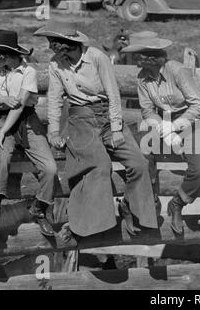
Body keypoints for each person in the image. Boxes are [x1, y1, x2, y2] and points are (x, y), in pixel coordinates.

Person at [33, 20, 158, 237]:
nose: (51, 46)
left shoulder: (97, 57)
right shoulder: (55, 64)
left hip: (108, 118)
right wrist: (53, 131)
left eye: (54, 42)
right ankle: (89, 226)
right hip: (81, 120)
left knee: (139, 163)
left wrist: (117, 128)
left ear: (66, 43)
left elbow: (113, 94)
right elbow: (54, 99)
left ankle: (130, 207)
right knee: (99, 165)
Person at [122, 36, 200, 235]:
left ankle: (178, 202)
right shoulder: (142, 77)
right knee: (141, 156)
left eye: (139, 55)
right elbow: (147, 110)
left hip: (188, 120)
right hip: (161, 122)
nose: (135, 58)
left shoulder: (177, 71)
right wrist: (162, 126)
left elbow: (197, 105)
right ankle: (147, 207)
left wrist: (176, 125)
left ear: (152, 58)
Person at [0, 29, 57, 236]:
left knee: (50, 168)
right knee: (1, 156)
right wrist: (2, 100)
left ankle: (39, 209)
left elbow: (20, 106)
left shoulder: (27, 72)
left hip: (27, 121)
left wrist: (3, 132)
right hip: (3, 118)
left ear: (5, 53)